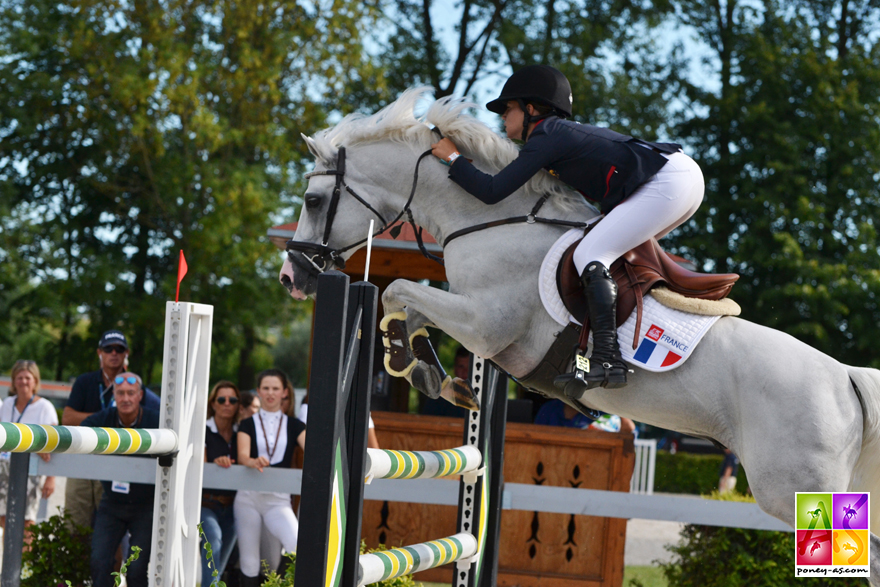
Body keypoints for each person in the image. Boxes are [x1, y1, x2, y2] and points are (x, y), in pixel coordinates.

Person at [431, 65, 704, 395]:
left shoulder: (548, 135)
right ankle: (611, 349)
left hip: (668, 181)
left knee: (591, 253)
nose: (503, 116)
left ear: (531, 109)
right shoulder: (553, 135)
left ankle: (608, 358)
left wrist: (454, 158)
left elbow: (491, 192)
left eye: (508, 108)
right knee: (601, 254)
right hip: (675, 180)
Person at [63, 329, 161, 530]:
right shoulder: (85, 381)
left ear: (127, 353)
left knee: (110, 531)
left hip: (118, 463)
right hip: (82, 461)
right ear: (100, 352)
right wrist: (107, 418)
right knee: (74, 523)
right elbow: (68, 419)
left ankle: (112, 563)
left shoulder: (137, 385)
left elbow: (161, 419)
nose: (114, 353)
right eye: (109, 349)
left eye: (119, 349)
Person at [81, 372, 159, 587]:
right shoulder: (104, 417)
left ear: (140, 395)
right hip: (112, 502)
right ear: (113, 395)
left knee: (136, 568)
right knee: (99, 561)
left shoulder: (156, 419)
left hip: (145, 506)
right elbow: (77, 434)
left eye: (131, 393)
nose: (125, 398)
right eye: (121, 393)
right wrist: (49, 446)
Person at [235, 369, 306, 586]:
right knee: (250, 563)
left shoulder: (295, 425)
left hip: (278, 500)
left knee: (295, 547)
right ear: (258, 391)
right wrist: (253, 462)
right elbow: (242, 456)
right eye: (265, 388)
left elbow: (316, 454)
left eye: (275, 388)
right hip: (248, 498)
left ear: (285, 392)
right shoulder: (247, 424)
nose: (270, 393)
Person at [0, 360, 58, 542]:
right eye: (19, 378)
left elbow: (54, 443)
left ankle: (25, 565)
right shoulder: (7, 403)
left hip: (31, 472)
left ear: (35, 381)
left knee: (26, 521)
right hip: (4, 469)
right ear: (13, 381)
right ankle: (9, 561)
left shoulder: (44, 407)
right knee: (3, 517)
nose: (23, 382)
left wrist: (51, 478)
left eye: (27, 378)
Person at [200, 381, 241, 586]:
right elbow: (201, 465)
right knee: (213, 540)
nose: (227, 404)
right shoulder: (202, 430)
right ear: (213, 404)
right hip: (206, 504)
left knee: (221, 560)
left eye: (232, 400)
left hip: (234, 505)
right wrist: (213, 464)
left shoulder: (242, 433)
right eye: (221, 399)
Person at [535, 399, 635, 434]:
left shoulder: (598, 411)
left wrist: (612, 403)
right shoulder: (549, 408)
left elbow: (629, 428)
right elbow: (535, 437)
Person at [421, 346, 469, 419]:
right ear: (455, 369)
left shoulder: (484, 396)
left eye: (469, 367)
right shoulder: (440, 396)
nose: (465, 371)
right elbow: (427, 422)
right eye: (461, 366)